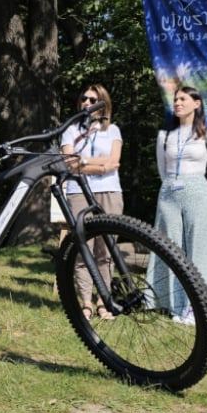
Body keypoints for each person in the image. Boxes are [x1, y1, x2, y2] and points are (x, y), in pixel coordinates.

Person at [148, 86, 207, 323]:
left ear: (197, 103)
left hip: (197, 191)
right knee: (169, 248)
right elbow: (163, 170)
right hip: (169, 194)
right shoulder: (166, 135)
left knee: (199, 248)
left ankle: (197, 307)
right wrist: (172, 187)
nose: (177, 103)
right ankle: (173, 303)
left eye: (183, 99)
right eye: (175, 99)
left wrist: (202, 192)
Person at [59, 84, 123, 319]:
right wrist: (98, 165)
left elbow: (115, 162)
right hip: (78, 191)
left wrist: (84, 162)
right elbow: (70, 162)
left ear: (102, 103)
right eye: (83, 98)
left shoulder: (113, 130)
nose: (86, 102)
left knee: (106, 250)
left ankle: (103, 301)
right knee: (81, 248)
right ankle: (85, 302)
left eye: (92, 99)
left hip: (109, 191)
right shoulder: (71, 131)